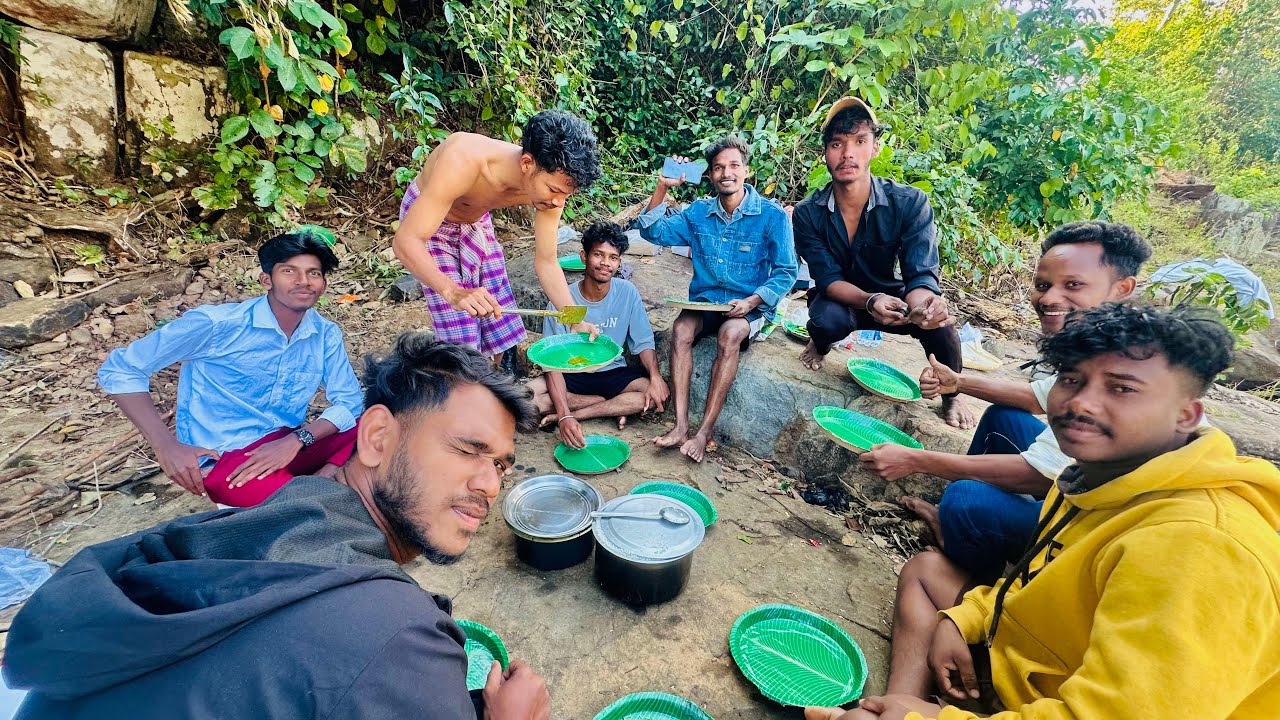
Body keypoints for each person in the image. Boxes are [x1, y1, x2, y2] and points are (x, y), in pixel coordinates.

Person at [6, 335, 551, 720]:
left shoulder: (227, 530)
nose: (490, 484)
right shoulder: (396, 638)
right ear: (377, 437)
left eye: (501, 464)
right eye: (468, 450)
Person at [808, 303, 1280, 720]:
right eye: (1072, 379)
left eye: (1122, 389)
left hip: (1071, 697)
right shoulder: (1091, 475)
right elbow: (1034, 579)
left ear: (1187, 415)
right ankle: (898, 704)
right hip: (1040, 663)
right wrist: (967, 619)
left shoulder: (1203, 549)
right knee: (927, 570)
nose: (1080, 403)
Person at [860, 221, 1153, 582]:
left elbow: (1037, 476)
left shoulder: (1129, 369)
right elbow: (1035, 398)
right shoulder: (1100, 342)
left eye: (1073, 285)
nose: (1048, 298)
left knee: (966, 499)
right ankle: (955, 524)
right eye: (1044, 285)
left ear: (1121, 289)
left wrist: (916, 460)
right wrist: (959, 382)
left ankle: (974, 579)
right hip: (1083, 489)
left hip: (1099, 527)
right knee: (1003, 417)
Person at [97, 231, 364, 507]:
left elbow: (351, 401)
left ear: (323, 284)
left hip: (288, 442)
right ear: (266, 280)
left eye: (314, 274)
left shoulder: (324, 333)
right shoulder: (217, 325)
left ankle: (321, 479)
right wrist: (166, 446)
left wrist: (297, 439)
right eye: (289, 271)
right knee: (301, 508)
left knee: (380, 418)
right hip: (226, 457)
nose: (303, 282)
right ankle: (319, 487)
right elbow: (121, 369)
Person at [791, 97, 973, 429]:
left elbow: (920, 273)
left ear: (875, 148)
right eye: (837, 144)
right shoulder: (808, 212)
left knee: (942, 330)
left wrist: (924, 308)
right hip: (844, 300)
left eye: (859, 142)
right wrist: (868, 300)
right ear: (825, 154)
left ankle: (952, 393)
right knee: (823, 320)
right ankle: (819, 346)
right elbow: (827, 278)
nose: (848, 153)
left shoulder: (909, 203)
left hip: (897, 303)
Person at [636, 136, 797, 462]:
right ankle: (681, 426)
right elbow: (653, 233)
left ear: (746, 171)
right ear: (709, 175)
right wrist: (662, 188)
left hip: (748, 306)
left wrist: (753, 301)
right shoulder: (697, 213)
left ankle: (704, 431)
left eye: (734, 166)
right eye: (719, 167)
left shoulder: (772, 216)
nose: (727, 173)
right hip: (706, 302)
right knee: (681, 330)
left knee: (730, 333)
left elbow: (786, 272)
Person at [393, 110, 602, 360]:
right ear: (527, 164)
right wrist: (453, 291)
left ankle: (493, 383)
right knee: (462, 339)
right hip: (429, 226)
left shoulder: (553, 192)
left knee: (498, 322)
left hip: (475, 221)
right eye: (554, 191)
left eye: (566, 195)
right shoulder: (464, 160)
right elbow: (406, 241)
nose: (559, 202)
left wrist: (574, 320)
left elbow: (546, 261)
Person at [526, 222, 669, 446]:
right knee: (527, 397)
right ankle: (607, 406)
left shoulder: (627, 292)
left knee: (653, 395)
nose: (605, 263)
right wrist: (565, 413)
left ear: (619, 262)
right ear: (584, 256)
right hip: (571, 374)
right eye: (598, 255)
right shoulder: (562, 299)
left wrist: (656, 377)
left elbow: (643, 342)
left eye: (613, 257)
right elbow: (552, 365)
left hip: (612, 373)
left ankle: (583, 412)